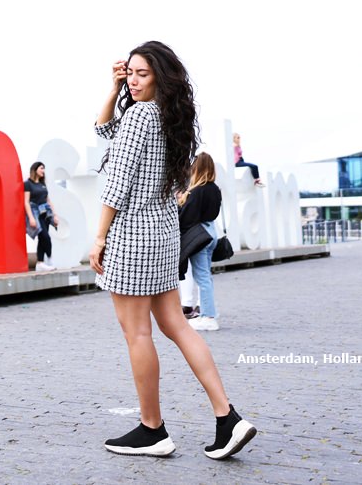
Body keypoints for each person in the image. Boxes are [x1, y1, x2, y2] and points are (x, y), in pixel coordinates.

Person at [89, 42, 256, 459]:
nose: (133, 80)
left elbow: (118, 182)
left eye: (142, 73)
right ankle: (228, 417)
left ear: (161, 77)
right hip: (164, 233)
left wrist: (100, 236)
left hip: (133, 233)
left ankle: (153, 430)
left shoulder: (140, 115)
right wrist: (113, 89)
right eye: (129, 72)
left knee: (137, 333)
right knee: (177, 326)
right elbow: (104, 130)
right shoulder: (171, 117)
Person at [178, 152, 222, 331]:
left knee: (202, 277)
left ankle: (208, 316)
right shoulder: (215, 189)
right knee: (206, 277)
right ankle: (209, 312)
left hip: (199, 236)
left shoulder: (196, 191)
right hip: (211, 232)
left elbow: (187, 218)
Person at [24, 161, 58, 271]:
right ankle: (49, 258)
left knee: (42, 238)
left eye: (44, 168)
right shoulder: (28, 184)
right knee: (45, 237)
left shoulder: (42, 184)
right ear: (35, 169)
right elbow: (26, 202)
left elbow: (48, 200)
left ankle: (40, 263)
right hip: (35, 213)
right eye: (41, 168)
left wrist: (55, 215)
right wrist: (31, 217)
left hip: (45, 214)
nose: (43, 171)